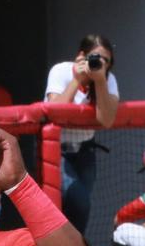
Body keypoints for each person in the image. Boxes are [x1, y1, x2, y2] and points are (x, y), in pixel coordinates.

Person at [44, 34, 119, 234]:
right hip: (56, 150)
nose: (99, 63)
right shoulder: (61, 71)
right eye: (95, 58)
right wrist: (77, 80)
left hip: (85, 152)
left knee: (77, 210)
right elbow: (55, 114)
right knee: (78, 202)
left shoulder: (108, 79)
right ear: (81, 56)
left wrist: (100, 81)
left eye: (106, 61)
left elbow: (106, 120)